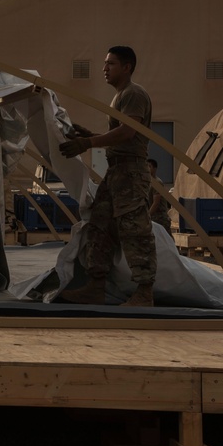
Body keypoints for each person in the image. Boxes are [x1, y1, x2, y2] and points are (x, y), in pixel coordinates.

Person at [58, 46, 156, 307]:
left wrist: (88, 142)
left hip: (131, 173)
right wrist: (88, 134)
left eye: (110, 64)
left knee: (134, 230)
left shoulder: (133, 94)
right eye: (105, 63)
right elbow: (120, 137)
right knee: (99, 225)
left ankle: (145, 292)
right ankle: (95, 285)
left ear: (127, 67)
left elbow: (127, 133)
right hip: (116, 171)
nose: (104, 68)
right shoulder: (120, 96)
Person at [147, 158, 171, 231]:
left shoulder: (157, 183)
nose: (147, 168)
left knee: (166, 239)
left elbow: (156, 203)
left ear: (155, 168)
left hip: (160, 218)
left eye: (149, 166)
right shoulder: (148, 182)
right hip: (153, 217)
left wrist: (147, 216)